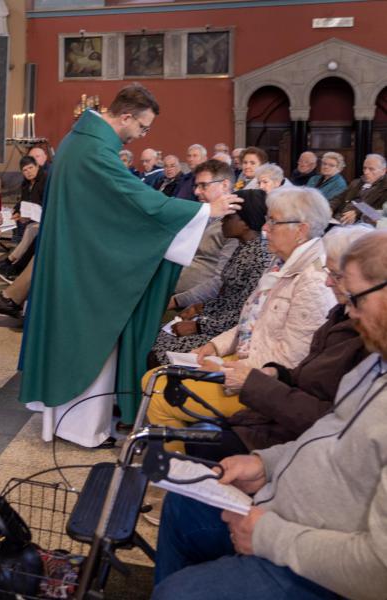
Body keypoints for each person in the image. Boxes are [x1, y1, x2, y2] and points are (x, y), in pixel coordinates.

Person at [152, 231, 387, 600]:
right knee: (184, 505)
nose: (350, 309)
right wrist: (266, 465)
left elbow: (378, 570)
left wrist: (266, 535)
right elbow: (328, 432)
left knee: (177, 593)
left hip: (322, 556)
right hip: (288, 507)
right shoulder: (374, 362)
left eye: (354, 295)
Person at [18, 84, 239, 448]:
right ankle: (83, 428)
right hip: (88, 268)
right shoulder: (94, 150)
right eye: (143, 127)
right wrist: (202, 210)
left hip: (79, 256)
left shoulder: (82, 142)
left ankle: (73, 422)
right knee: (93, 337)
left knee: (81, 337)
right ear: (125, 116)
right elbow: (133, 200)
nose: (141, 136)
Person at [145, 186, 336, 438]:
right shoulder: (280, 262)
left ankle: (181, 468)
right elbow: (251, 317)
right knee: (153, 377)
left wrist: (225, 366)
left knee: (158, 393)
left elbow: (292, 361)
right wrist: (215, 346)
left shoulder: (313, 281)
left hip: (266, 383)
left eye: (273, 222)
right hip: (247, 360)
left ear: (301, 230)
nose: (265, 228)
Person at [188, 224, 371, 460]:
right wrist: (276, 374)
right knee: (193, 432)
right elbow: (251, 321)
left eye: (336, 275)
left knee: (182, 420)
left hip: (296, 441)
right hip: (276, 413)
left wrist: (254, 381)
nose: (327, 283)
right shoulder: (340, 313)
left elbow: (330, 420)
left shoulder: (363, 335)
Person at [153, 189, 272, 367]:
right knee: (153, 337)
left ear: (246, 223)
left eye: (228, 217)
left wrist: (199, 326)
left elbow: (244, 313)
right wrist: (200, 308)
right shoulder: (244, 247)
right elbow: (228, 297)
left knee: (156, 352)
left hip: (227, 333)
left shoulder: (259, 257)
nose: (222, 221)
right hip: (216, 320)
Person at [170, 160, 242, 301]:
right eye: (196, 186)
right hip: (172, 291)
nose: (196, 192)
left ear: (225, 185)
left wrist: (176, 301)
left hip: (193, 305)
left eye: (203, 185)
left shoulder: (236, 224)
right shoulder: (201, 214)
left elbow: (221, 282)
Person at [0, 155, 45, 280]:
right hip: (34, 219)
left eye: (31, 168)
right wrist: (17, 211)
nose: (29, 172)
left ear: (37, 166)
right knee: (25, 227)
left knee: (31, 230)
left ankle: (10, 262)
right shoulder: (26, 184)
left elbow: (45, 202)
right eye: (25, 170)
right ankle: (11, 263)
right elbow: (23, 201)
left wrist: (31, 214)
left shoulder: (45, 180)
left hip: (45, 218)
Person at [328, 153, 387, 224]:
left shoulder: (385, 188)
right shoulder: (356, 182)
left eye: (371, 169)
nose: (366, 172)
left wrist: (357, 213)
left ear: (383, 171)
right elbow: (339, 198)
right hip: (337, 220)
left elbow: (379, 216)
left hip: (362, 226)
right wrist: (330, 208)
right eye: (364, 168)